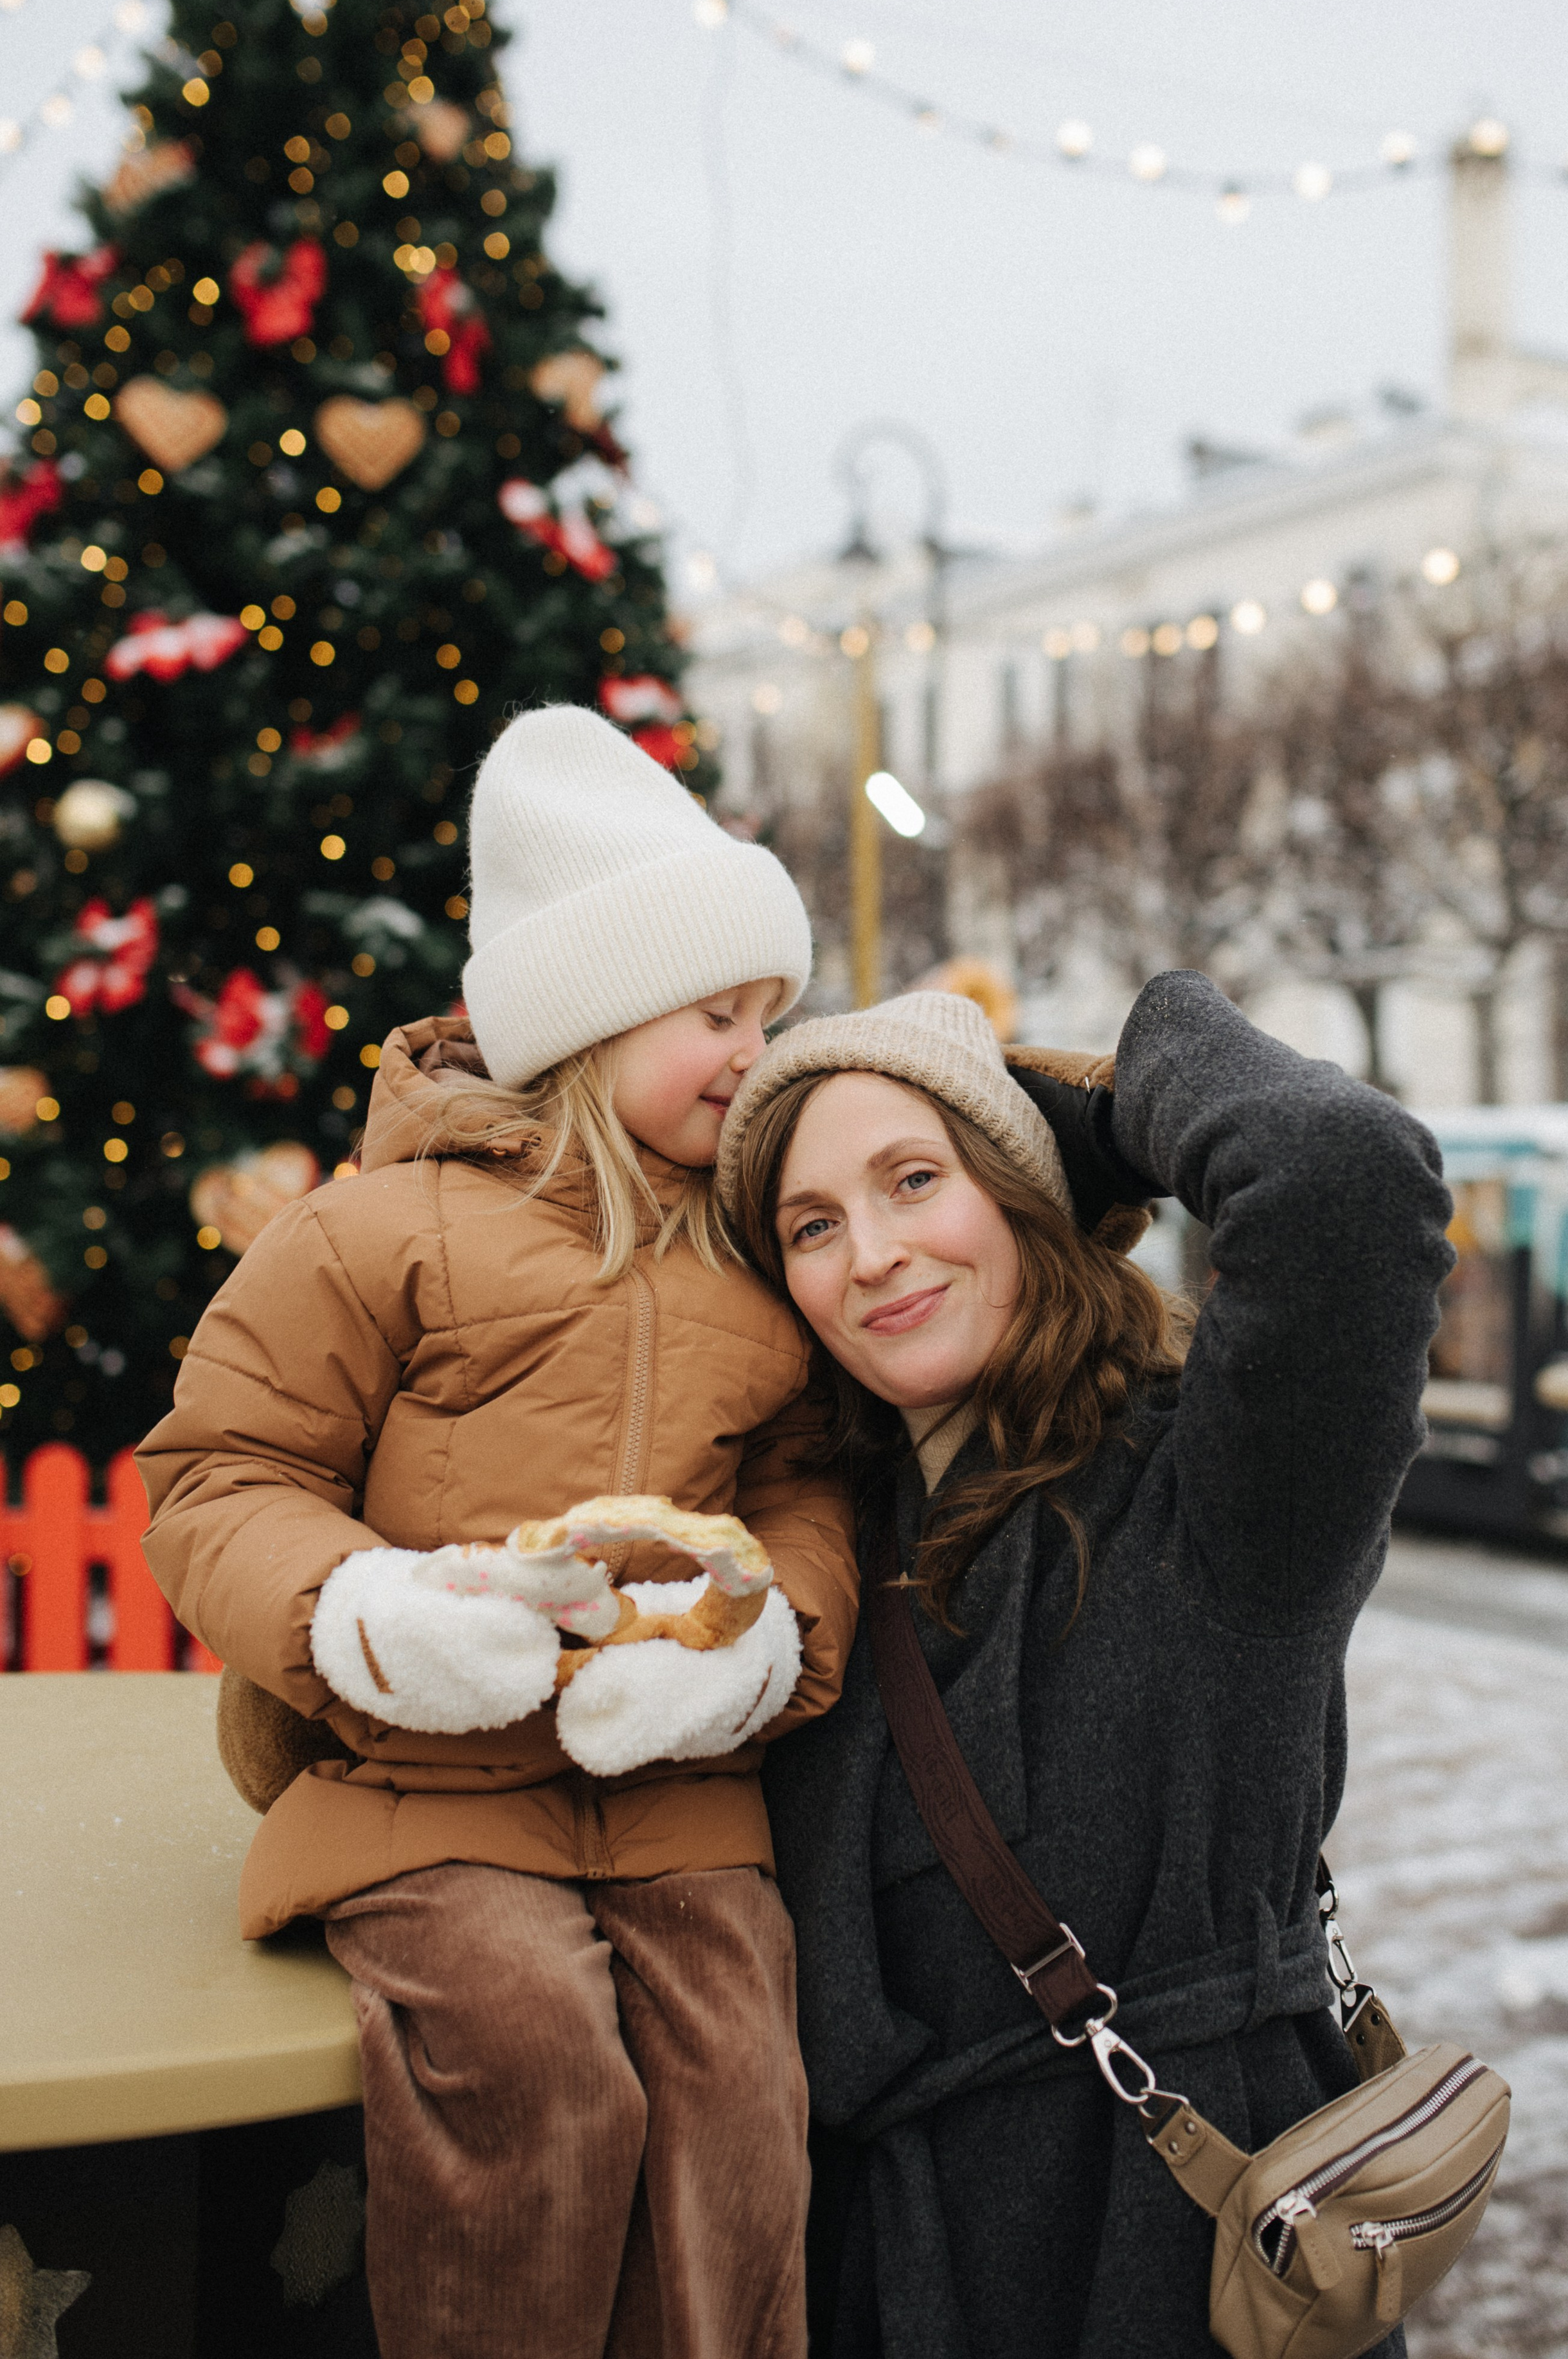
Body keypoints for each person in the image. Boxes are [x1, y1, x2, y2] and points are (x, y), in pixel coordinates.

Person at [138, 704, 857, 2359]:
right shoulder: (381, 1230)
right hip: (421, 1790)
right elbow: (223, 1468)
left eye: (771, 1011)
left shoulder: (760, 1258)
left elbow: (812, 1491)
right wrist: (357, 1613)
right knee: (530, 2064)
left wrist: (758, 1652)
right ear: (590, 1021)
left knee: (740, 2102)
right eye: (716, 1013)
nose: (757, 1050)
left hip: (677, 1795)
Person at [717, 973, 1454, 2359]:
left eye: (915, 1178)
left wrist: (1095, 1120)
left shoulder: (1217, 1491)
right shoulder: (801, 1546)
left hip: (1166, 2262)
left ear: (1017, 1194)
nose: (868, 1254)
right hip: (873, 2278)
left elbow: (1344, 1177)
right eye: (810, 1225)